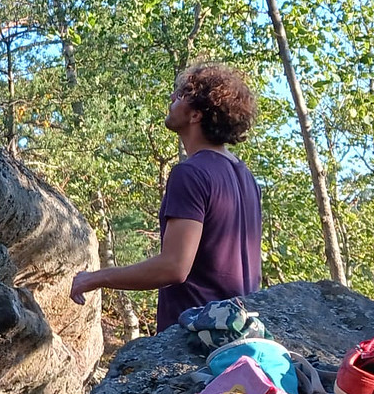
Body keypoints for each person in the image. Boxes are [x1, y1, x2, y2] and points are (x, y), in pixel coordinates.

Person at [70, 62, 262, 332]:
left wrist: (94, 278)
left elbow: (174, 267)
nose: (172, 98)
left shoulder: (191, 173)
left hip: (198, 337)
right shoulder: (246, 177)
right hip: (238, 333)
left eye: (181, 95)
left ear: (196, 115)